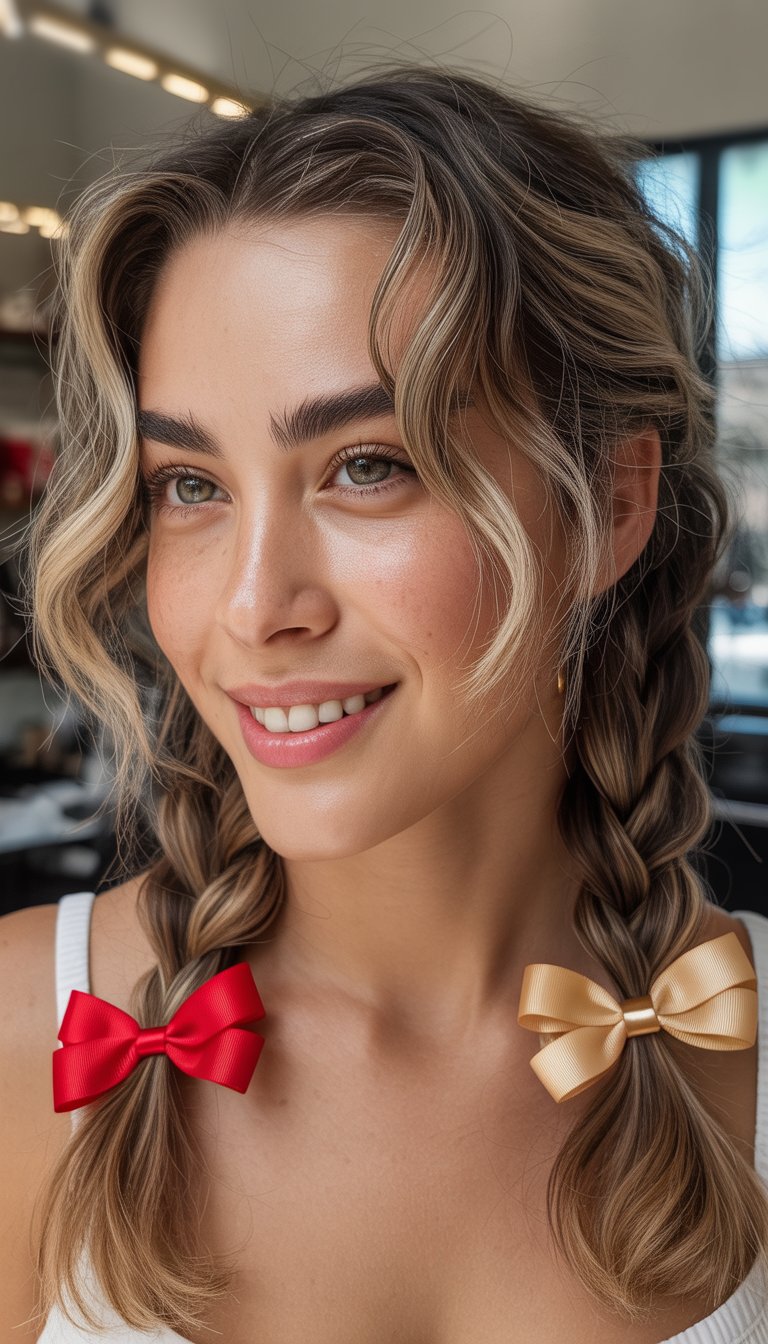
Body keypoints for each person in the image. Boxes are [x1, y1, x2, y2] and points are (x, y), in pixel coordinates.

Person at [3, 60, 768, 1343]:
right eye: (191, 485)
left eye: (367, 465)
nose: (255, 606)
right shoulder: (23, 1034)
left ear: (610, 504)